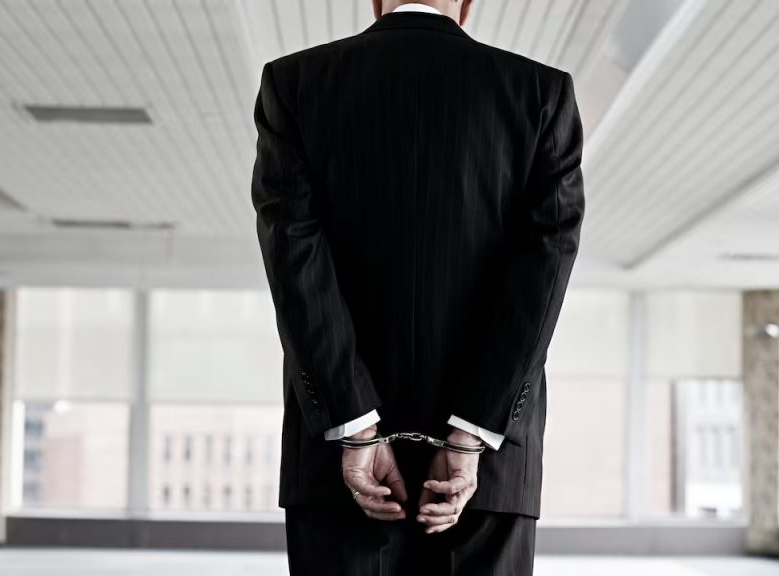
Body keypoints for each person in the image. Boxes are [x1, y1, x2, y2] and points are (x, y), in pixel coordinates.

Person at [250, 1, 584, 573]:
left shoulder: (295, 83)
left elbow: (293, 256)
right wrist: (472, 432)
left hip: (337, 461)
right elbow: (545, 266)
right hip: (487, 469)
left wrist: (355, 425)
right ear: (468, 4)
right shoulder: (541, 93)